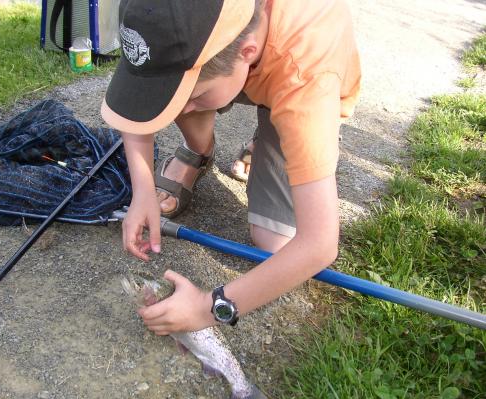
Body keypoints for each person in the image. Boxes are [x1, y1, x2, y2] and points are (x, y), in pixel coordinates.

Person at [102, 0, 361, 334]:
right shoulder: (171, 22)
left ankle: (295, 138)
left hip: (295, 78)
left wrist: (208, 308)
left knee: (277, 246)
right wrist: (142, 191)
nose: (184, 108)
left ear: (248, 52)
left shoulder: (307, 75)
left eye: (193, 96)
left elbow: (319, 245)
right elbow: (141, 92)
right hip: (242, 68)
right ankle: (199, 150)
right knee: (173, 91)